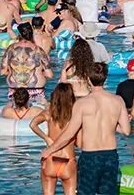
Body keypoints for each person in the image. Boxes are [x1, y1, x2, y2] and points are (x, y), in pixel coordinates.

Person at [42, 62, 129, 195]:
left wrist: (49, 150)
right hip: (110, 155)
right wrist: (109, 120)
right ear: (105, 78)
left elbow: (69, 134)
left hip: (91, 156)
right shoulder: (118, 100)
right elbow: (126, 130)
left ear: (88, 79)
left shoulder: (82, 103)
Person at [31, 83, 77, 195]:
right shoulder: (75, 114)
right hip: (68, 159)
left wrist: (47, 139)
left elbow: (33, 124)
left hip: (50, 159)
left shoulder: (49, 112)